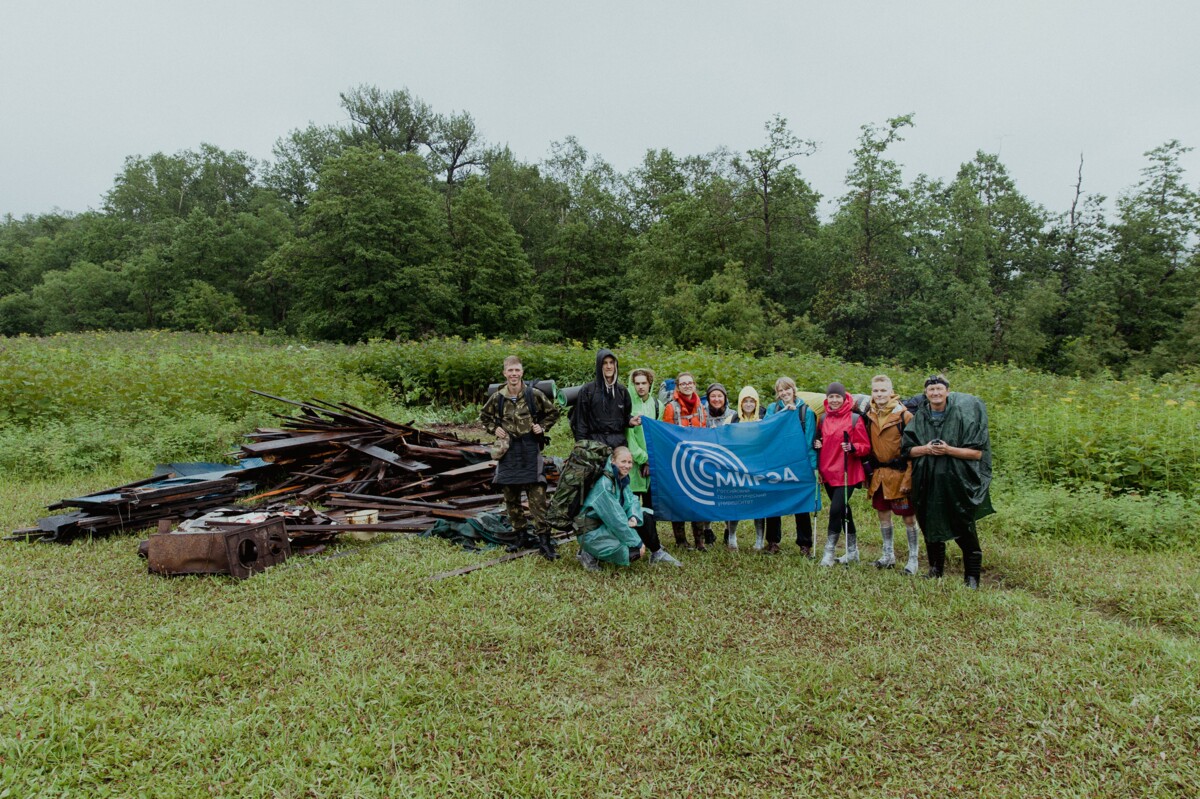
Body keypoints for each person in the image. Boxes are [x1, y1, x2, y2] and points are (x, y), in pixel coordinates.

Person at [901, 374, 993, 589]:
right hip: (926, 482)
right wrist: (926, 449)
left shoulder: (963, 417)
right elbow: (907, 451)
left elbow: (977, 454)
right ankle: (935, 570)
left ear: (947, 392)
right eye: (931, 390)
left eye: (939, 389)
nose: (935, 393)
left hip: (956, 482)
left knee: (963, 525)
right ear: (926, 393)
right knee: (929, 523)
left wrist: (948, 450)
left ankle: (971, 577)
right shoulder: (920, 417)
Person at [479, 355, 562, 560]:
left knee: (538, 497)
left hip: (530, 448)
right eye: (510, 370)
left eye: (517, 370)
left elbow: (553, 413)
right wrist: (494, 429)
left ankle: (544, 541)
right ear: (504, 373)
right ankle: (520, 536)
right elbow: (484, 417)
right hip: (508, 451)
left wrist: (541, 427)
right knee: (511, 497)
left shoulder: (533, 395)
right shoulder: (498, 397)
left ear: (522, 372)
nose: (514, 374)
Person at [548, 348, 633, 535]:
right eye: (605, 363)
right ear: (599, 365)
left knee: (618, 488)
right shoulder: (588, 390)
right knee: (593, 491)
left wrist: (631, 421)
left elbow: (625, 416)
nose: (609, 366)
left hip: (617, 447)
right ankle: (589, 534)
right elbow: (581, 423)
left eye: (612, 363)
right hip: (595, 448)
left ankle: (616, 530)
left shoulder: (622, 391)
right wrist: (582, 448)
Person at [864, 375, 921, 574]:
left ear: (891, 392)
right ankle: (888, 555)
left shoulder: (904, 416)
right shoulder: (869, 414)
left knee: (908, 518)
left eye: (883, 391)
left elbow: (914, 451)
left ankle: (913, 559)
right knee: (883, 514)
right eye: (875, 391)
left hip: (900, 474)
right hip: (879, 475)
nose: (879, 394)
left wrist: (909, 478)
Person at [626, 367, 682, 567]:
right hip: (631, 466)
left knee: (649, 507)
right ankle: (633, 544)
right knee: (630, 506)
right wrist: (642, 459)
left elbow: (658, 435)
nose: (640, 386)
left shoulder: (657, 405)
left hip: (651, 467)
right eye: (637, 383)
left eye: (643, 383)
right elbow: (628, 436)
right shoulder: (627, 403)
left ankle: (653, 545)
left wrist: (651, 461)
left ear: (650, 383)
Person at [813, 382, 872, 566]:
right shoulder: (823, 419)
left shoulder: (854, 419)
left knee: (836, 511)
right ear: (827, 398)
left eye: (838, 396)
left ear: (844, 397)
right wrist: (817, 443)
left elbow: (865, 447)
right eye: (831, 397)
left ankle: (828, 553)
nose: (834, 400)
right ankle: (853, 551)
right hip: (828, 471)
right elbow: (819, 440)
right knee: (844, 510)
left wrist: (853, 447)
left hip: (848, 473)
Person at [762, 376, 819, 555]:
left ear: (794, 390)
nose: (784, 393)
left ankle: (805, 544)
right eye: (780, 390)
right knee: (773, 502)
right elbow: (766, 430)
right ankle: (772, 541)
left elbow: (809, 441)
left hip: (799, 464)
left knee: (801, 503)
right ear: (777, 394)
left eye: (787, 389)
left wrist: (813, 467)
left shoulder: (806, 411)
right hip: (776, 463)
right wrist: (783, 413)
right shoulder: (773, 408)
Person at [574, 447, 647, 571]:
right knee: (632, 552)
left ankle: (598, 551)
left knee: (646, 515)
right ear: (613, 461)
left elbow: (632, 500)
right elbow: (615, 519)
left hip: (602, 526)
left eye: (630, 462)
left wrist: (633, 516)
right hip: (590, 531)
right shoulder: (605, 484)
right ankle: (587, 553)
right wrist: (637, 542)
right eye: (623, 461)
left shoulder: (619, 478)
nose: (627, 466)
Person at [662, 372, 709, 551]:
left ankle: (700, 541)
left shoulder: (701, 406)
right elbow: (666, 435)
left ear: (694, 385)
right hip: (676, 460)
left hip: (696, 461)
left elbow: (704, 432)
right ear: (678, 387)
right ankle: (681, 541)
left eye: (690, 383)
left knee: (698, 498)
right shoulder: (671, 408)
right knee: (678, 499)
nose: (687, 386)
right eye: (683, 384)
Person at [704, 382, 741, 550]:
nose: (717, 399)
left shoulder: (734, 415)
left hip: (728, 464)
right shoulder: (702, 414)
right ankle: (707, 529)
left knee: (730, 499)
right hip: (708, 463)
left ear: (725, 398)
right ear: (708, 398)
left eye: (720, 396)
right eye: (713, 396)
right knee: (707, 499)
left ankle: (729, 531)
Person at [734, 385, 768, 550]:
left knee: (759, 504)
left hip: (757, 468)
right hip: (737, 468)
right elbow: (720, 435)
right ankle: (732, 538)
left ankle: (759, 540)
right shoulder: (733, 419)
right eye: (745, 401)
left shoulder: (764, 419)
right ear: (740, 403)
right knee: (735, 502)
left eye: (751, 401)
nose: (748, 404)